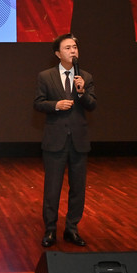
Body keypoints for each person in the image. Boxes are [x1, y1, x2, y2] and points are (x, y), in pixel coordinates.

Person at [34, 33, 97, 247]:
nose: (73, 51)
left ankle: (72, 228)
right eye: (68, 48)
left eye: (75, 48)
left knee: (78, 188)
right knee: (52, 188)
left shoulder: (85, 77)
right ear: (58, 53)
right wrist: (55, 105)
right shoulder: (45, 76)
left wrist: (82, 93)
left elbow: (92, 105)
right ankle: (50, 230)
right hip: (55, 140)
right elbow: (38, 103)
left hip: (79, 140)